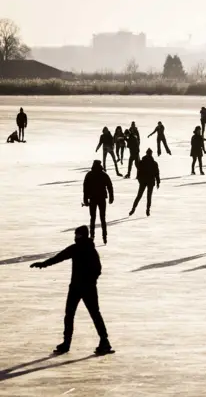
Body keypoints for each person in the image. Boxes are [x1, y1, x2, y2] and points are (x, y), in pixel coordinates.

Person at [29, 225, 113, 355]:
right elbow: (58, 257)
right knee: (70, 315)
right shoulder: (76, 249)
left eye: (78, 235)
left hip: (87, 288)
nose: (76, 237)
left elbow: (98, 269)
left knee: (94, 314)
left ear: (83, 235)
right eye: (75, 235)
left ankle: (104, 342)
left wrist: (90, 281)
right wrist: (43, 264)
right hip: (75, 287)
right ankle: (66, 343)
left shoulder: (90, 250)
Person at [83, 160, 114, 244]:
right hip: (101, 198)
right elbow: (109, 186)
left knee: (92, 218)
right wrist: (111, 197)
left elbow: (85, 188)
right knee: (102, 218)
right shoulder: (103, 174)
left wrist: (85, 199)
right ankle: (104, 237)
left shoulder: (89, 175)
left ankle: (92, 236)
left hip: (93, 198)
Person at [129, 148, 160, 217]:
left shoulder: (142, 162)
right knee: (148, 197)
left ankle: (133, 209)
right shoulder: (154, 163)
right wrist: (158, 182)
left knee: (139, 196)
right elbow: (157, 173)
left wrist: (140, 180)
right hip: (150, 182)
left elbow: (138, 173)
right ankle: (147, 210)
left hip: (143, 181)